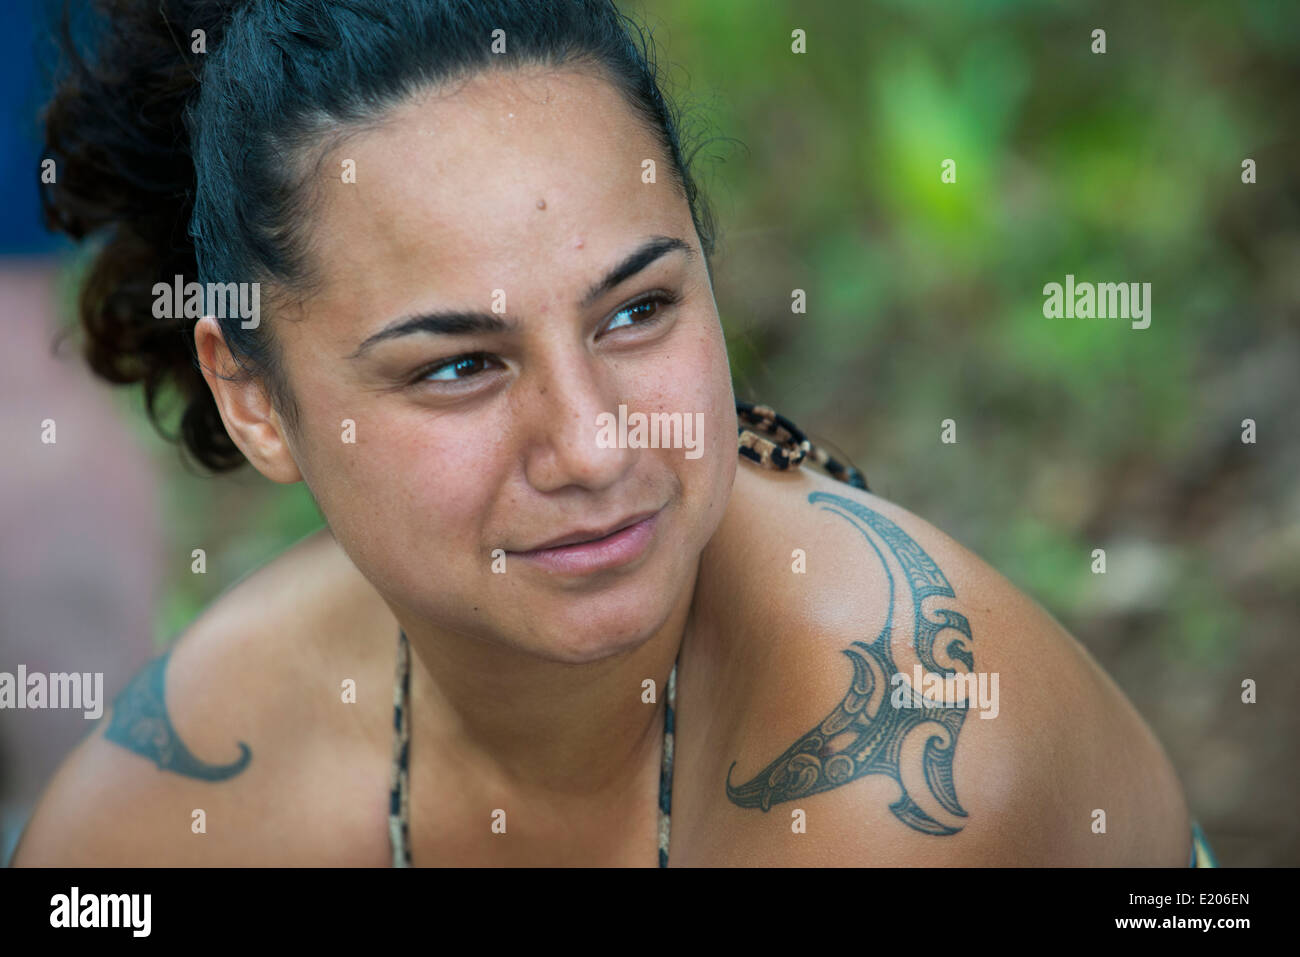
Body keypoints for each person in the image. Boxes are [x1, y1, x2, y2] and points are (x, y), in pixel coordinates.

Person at [11, 0, 1212, 867]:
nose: (591, 448)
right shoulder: (190, 785)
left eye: (637, 311)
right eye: (461, 366)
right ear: (254, 397)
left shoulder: (912, 774)